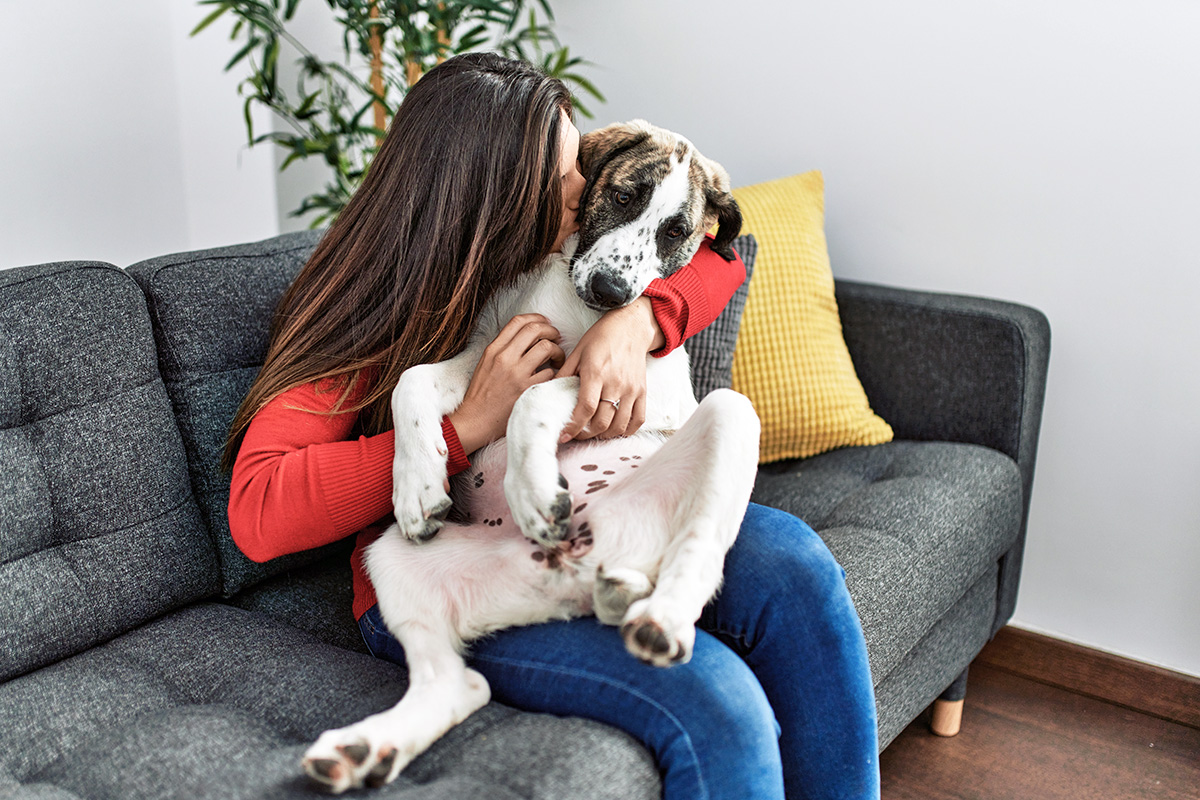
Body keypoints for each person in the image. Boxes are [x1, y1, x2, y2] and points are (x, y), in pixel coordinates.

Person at [225, 52, 880, 800]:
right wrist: (467, 423)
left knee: (796, 560)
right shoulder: (370, 306)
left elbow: (717, 256)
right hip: (461, 568)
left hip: (595, 507)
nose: (587, 193)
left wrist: (638, 323)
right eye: (567, 177)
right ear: (486, 195)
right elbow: (260, 510)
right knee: (720, 705)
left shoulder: (563, 254)